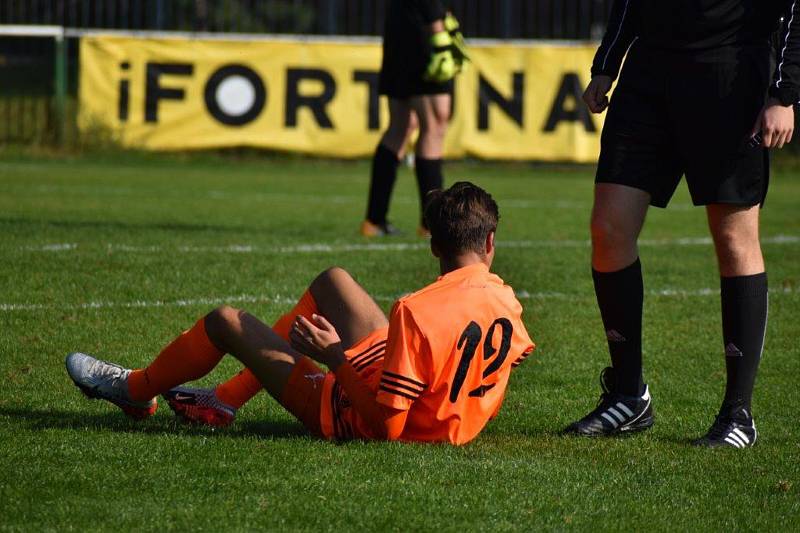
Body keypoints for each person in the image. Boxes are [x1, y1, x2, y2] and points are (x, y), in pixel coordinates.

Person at [66, 182, 534, 445]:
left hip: (366, 416)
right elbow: (508, 355)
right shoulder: (506, 301)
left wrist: (336, 360)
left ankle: (135, 391)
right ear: (490, 242)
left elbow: (387, 429)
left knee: (225, 321)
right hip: (423, 405)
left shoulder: (415, 311)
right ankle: (223, 401)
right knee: (334, 280)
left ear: (433, 245)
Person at [563, 1, 798, 448]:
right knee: (608, 230)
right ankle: (629, 396)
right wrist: (607, 64)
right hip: (649, 72)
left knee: (734, 239)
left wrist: (784, 93)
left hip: (729, 71)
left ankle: (738, 414)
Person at [360, 0, 467, 237]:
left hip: (400, 31)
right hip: (423, 36)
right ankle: (432, 224)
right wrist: (439, 37)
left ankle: (374, 221)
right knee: (434, 125)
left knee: (401, 126)